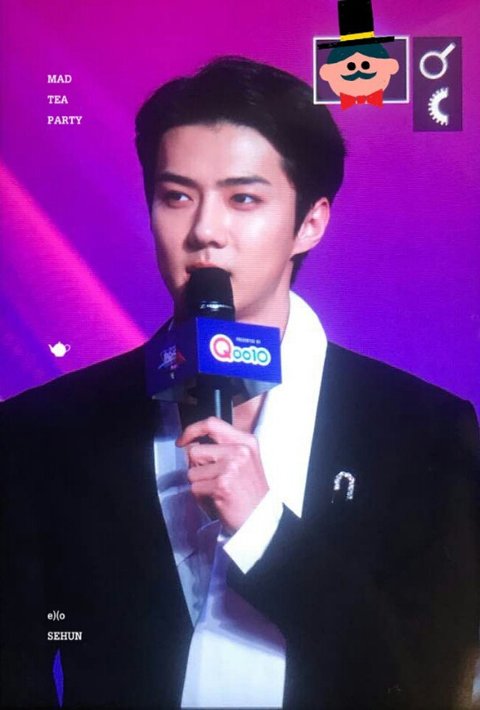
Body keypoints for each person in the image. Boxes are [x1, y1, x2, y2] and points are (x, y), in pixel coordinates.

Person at [1, 56, 479, 710]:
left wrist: (265, 532)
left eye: (243, 198)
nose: (204, 231)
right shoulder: (48, 429)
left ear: (310, 222)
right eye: (177, 196)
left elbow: (427, 683)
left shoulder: (423, 431)